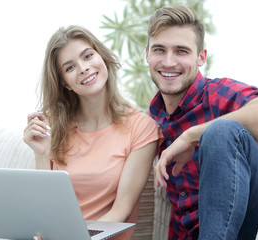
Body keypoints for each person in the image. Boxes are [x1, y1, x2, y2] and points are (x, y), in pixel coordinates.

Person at [146, 6, 258, 240]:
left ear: (201, 57)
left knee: (221, 131)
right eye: (159, 50)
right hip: (204, 232)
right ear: (147, 54)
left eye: (181, 51)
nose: (169, 61)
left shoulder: (216, 94)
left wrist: (191, 135)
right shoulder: (154, 120)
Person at [23, 25, 161, 240]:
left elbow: (120, 212)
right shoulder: (54, 127)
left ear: (102, 58)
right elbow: (45, 210)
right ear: (64, 84)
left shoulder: (141, 127)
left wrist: (69, 236)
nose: (83, 68)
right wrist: (41, 154)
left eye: (88, 56)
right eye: (70, 68)